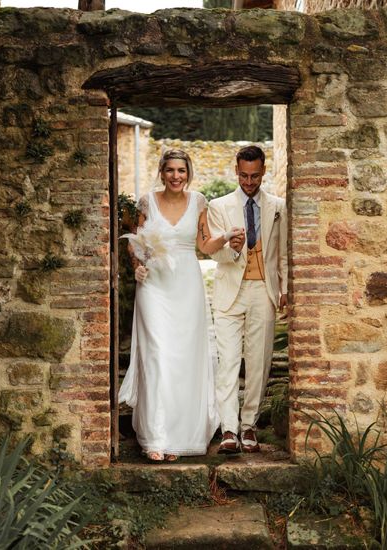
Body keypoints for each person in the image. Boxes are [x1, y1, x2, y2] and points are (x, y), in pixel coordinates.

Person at [119, 149, 244, 462]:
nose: (176, 176)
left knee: (183, 360)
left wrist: (226, 237)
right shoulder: (147, 202)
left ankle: (177, 438)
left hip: (187, 285)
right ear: (162, 172)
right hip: (154, 286)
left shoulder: (198, 201)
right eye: (171, 170)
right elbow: (135, 242)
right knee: (157, 355)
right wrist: (137, 265)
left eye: (182, 171)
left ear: (188, 174)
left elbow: (204, 245)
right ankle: (156, 437)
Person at [206, 145, 288, 454]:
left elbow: (282, 255)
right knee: (227, 362)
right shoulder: (219, 206)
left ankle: (249, 425)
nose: (249, 182)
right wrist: (233, 246)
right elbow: (217, 253)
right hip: (230, 292)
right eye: (243, 175)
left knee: (258, 362)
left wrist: (285, 289)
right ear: (236, 171)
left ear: (264, 171)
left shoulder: (278, 206)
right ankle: (229, 429)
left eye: (254, 176)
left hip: (262, 292)